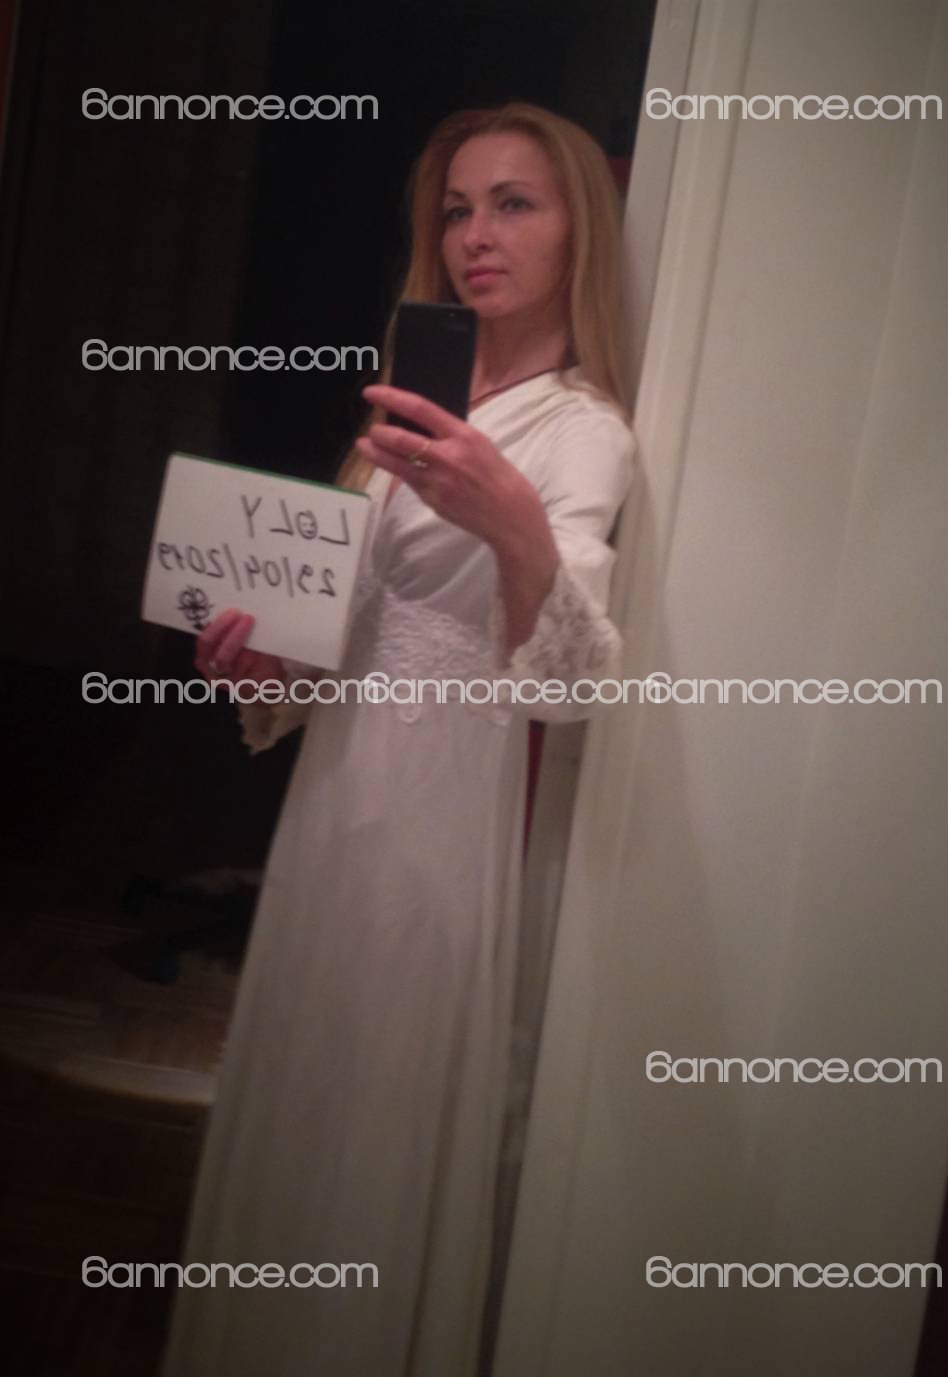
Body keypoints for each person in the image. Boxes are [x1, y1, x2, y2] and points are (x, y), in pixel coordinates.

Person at [160, 101, 636, 1377]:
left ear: (578, 229)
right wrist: (266, 658)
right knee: (311, 1074)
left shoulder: (580, 428)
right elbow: (353, 626)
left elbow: (571, 681)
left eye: (515, 204)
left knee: (383, 1092)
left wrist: (514, 522)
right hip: (339, 795)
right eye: (457, 209)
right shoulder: (413, 410)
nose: (477, 234)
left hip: (445, 807)